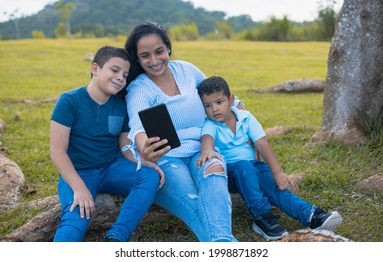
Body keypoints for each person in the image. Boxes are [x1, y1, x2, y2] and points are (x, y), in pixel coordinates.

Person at [124, 22, 237, 242]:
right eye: (145, 56)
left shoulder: (187, 70)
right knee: (195, 204)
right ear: (137, 58)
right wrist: (144, 148)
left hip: (202, 149)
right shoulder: (139, 88)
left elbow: (216, 94)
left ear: (168, 48)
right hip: (166, 159)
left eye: (159, 52)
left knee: (215, 172)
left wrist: (240, 111)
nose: (155, 61)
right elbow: (138, 126)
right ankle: (225, 245)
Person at [197, 76, 343, 241]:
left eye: (219, 102)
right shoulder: (210, 124)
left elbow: (262, 145)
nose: (214, 109)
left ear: (231, 100)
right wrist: (207, 150)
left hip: (254, 167)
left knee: (276, 188)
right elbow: (206, 139)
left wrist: (278, 173)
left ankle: (312, 215)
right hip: (231, 172)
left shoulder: (246, 118)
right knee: (244, 166)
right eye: (207, 106)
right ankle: (262, 217)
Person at [50, 46, 164, 242]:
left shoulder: (121, 106)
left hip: (112, 168)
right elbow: (57, 151)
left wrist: (142, 162)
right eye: (114, 70)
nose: (121, 77)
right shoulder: (69, 101)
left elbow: (124, 145)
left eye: (125, 74)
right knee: (75, 220)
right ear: (95, 69)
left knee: (149, 177)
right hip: (80, 172)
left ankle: (116, 237)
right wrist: (78, 188)